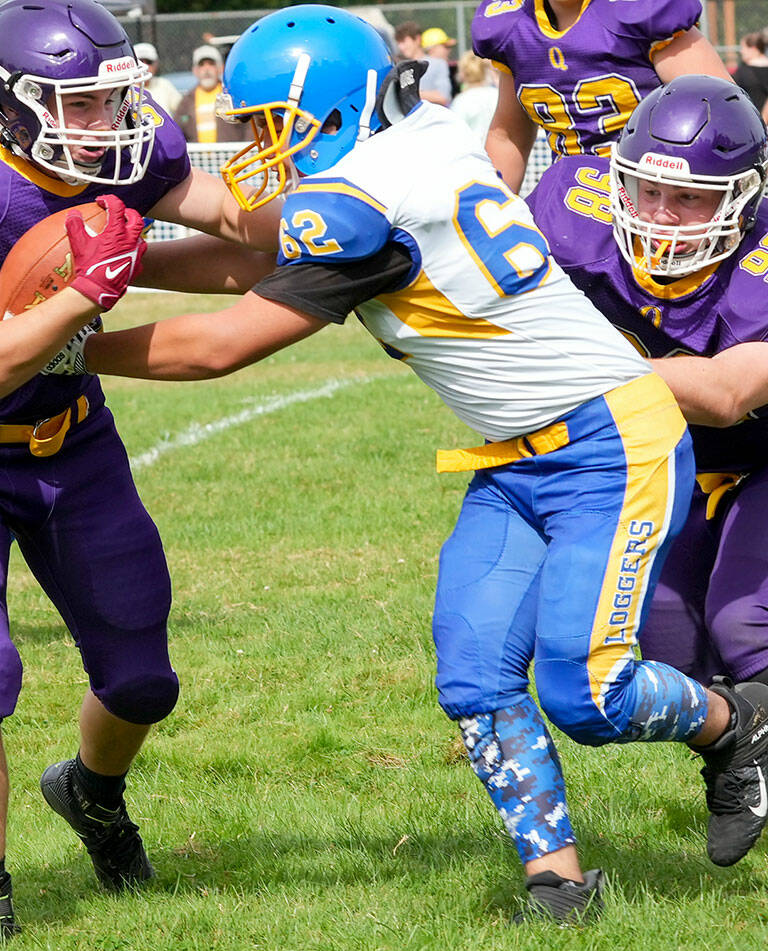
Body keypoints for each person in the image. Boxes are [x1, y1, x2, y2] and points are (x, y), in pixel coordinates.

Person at [55, 5, 768, 922]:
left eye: (271, 122)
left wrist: (73, 344)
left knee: (588, 695)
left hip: (609, 443)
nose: (257, 145)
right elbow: (259, 257)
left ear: (331, 111)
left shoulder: (363, 199)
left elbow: (221, 344)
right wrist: (120, 272)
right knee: (474, 674)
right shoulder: (424, 138)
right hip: (515, 457)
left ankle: (736, 721)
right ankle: (559, 884)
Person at [0, 0, 280, 944]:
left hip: (74, 437)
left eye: (114, 98)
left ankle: (91, 794)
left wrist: (312, 226)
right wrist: (89, 289)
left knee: (142, 682)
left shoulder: (123, 140)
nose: (106, 121)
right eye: (78, 104)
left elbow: (240, 231)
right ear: (8, 102)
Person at [526, 75, 768, 698]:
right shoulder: (574, 217)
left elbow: (724, 395)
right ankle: (745, 778)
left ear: (742, 200)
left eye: (689, 198)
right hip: (678, 461)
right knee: (668, 637)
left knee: (745, 624)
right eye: (646, 189)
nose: (660, 214)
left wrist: (576, 357)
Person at [472, 0, 729, 193]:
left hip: (663, 199)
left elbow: (725, 118)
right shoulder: (512, 27)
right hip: (574, 201)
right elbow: (508, 136)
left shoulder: (640, 12)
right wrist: (496, 217)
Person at [173, 44, 251, 143]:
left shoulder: (232, 95)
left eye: (211, 64)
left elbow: (250, 127)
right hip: (197, 157)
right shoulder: (186, 102)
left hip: (232, 156)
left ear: (221, 68)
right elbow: (176, 132)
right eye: (202, 65)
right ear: (195, 71)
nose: (206, 69)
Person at [394, 21, 451, 105]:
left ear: (417, 39)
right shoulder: (398, 67)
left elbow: (443, 97)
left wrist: (408, 93)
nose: (401, 47)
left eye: (404, 41)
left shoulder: (438, 64)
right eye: (399, 43)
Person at [450, 52, 498, 145]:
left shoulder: (461, 100)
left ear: (463, 73)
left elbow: (455, 132)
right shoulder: (497, 94)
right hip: (498, 150)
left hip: (474, 152)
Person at [133, 41, 182, 117]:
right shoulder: (126, 90)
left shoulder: (163, 84)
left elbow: (182, 108)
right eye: (139, 62)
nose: (145, 66)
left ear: (156, 64)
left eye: (149, 62)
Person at [734, 31, 768, 116]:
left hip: (752, 120)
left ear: (753, 49)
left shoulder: (744, 72)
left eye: (743, 48)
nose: (741, 51)